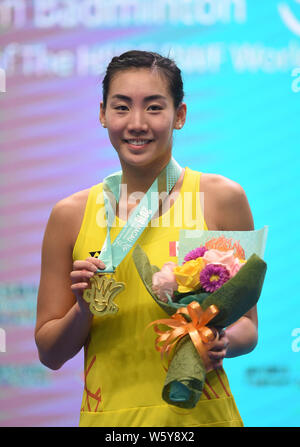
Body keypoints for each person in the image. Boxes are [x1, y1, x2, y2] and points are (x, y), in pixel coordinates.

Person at [35, 50, 258, 427]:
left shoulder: (223, 198)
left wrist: (220, 340)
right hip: (110, 421)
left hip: (201, 418)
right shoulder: (69, 216)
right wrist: (84, 308)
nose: (137, 123)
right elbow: (50, 352)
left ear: (180, 115)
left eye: (154, 107)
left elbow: (249, 326)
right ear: (103, 113)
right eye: (122, 107)